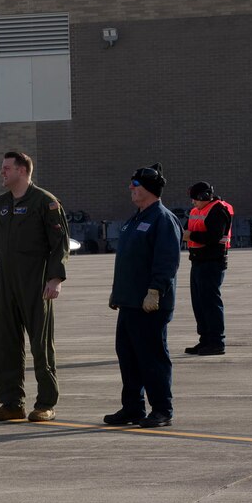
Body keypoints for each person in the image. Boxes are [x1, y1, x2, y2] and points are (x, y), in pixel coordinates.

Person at [0, 152, 68, 422]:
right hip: (6, 282)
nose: (1, 172)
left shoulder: (45, 203)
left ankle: (46, 403)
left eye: (6, 168)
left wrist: (55, 279)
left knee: (40, 344)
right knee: (3, 343)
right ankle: (12, 403)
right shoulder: (0, 204)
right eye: (2, 168)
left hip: (35, 281)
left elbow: (59, 244)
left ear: (23, 171)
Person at [106, 163, 181, 428]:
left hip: (150, 304)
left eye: (135, 185)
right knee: (128, 356)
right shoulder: (135, 218)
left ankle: (162, 409)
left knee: (152, 358)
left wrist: (155, 291)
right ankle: (133, 408)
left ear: (148, 189)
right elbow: (127, 260)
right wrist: (118, 292)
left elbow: (167, 260)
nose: (130, 188)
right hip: (129, 302)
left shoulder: (162, 219)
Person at [182, 181, 233, 356]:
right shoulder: (198, 210)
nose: (193, 202)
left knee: (210, 303)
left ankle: (217, 342)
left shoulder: (218, 210)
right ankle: (205, 340)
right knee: (199, 303)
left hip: (212, 262)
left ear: (204, 197)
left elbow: (213, 236)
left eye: (195, 199)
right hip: (198, 261)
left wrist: (190, 235)